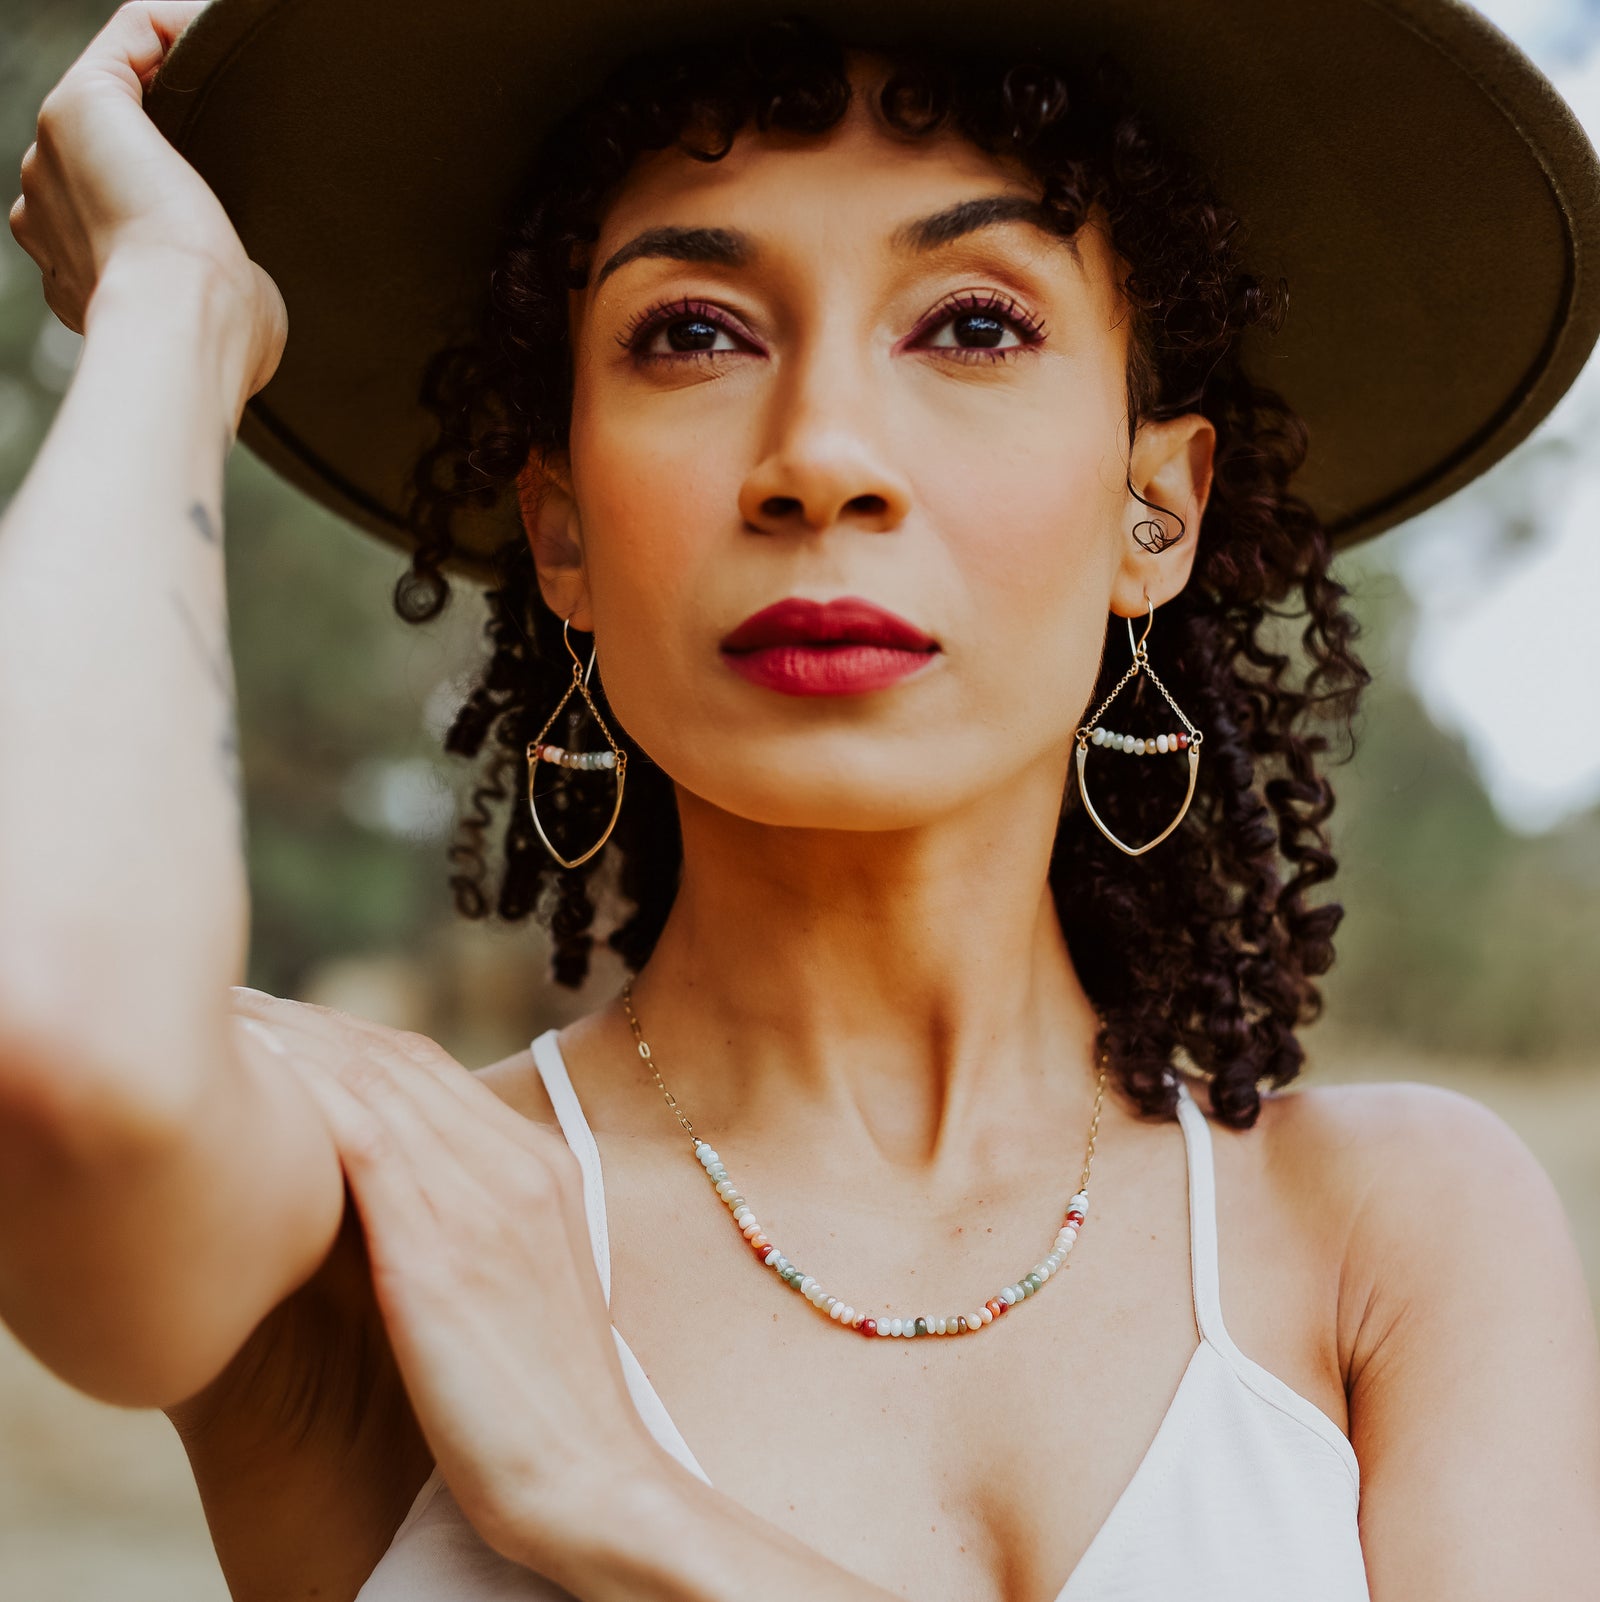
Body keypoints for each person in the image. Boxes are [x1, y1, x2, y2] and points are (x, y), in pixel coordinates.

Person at [3, 2, 1599, 1598]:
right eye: (694, 330)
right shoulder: (386, 1209)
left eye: (972, 324)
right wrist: (168, 313)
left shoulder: (1394, 1237)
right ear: (558, 532)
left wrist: (618, 1496)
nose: (820, 455)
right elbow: (50, 1036)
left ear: (1156, 510)